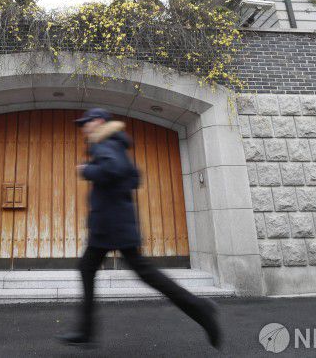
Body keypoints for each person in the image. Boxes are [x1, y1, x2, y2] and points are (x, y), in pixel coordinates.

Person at [57, 108, 223, 349]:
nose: (84, 127)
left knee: (142, 273)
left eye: (86, 123)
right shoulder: (115, 144)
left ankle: (200, 308)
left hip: (111, 226)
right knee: (94, 268)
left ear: (99, 121)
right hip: (112, 223)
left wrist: (87, 170)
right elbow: (134, 176)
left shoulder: (106, 144)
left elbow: (115, 170)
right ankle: (86, 331)